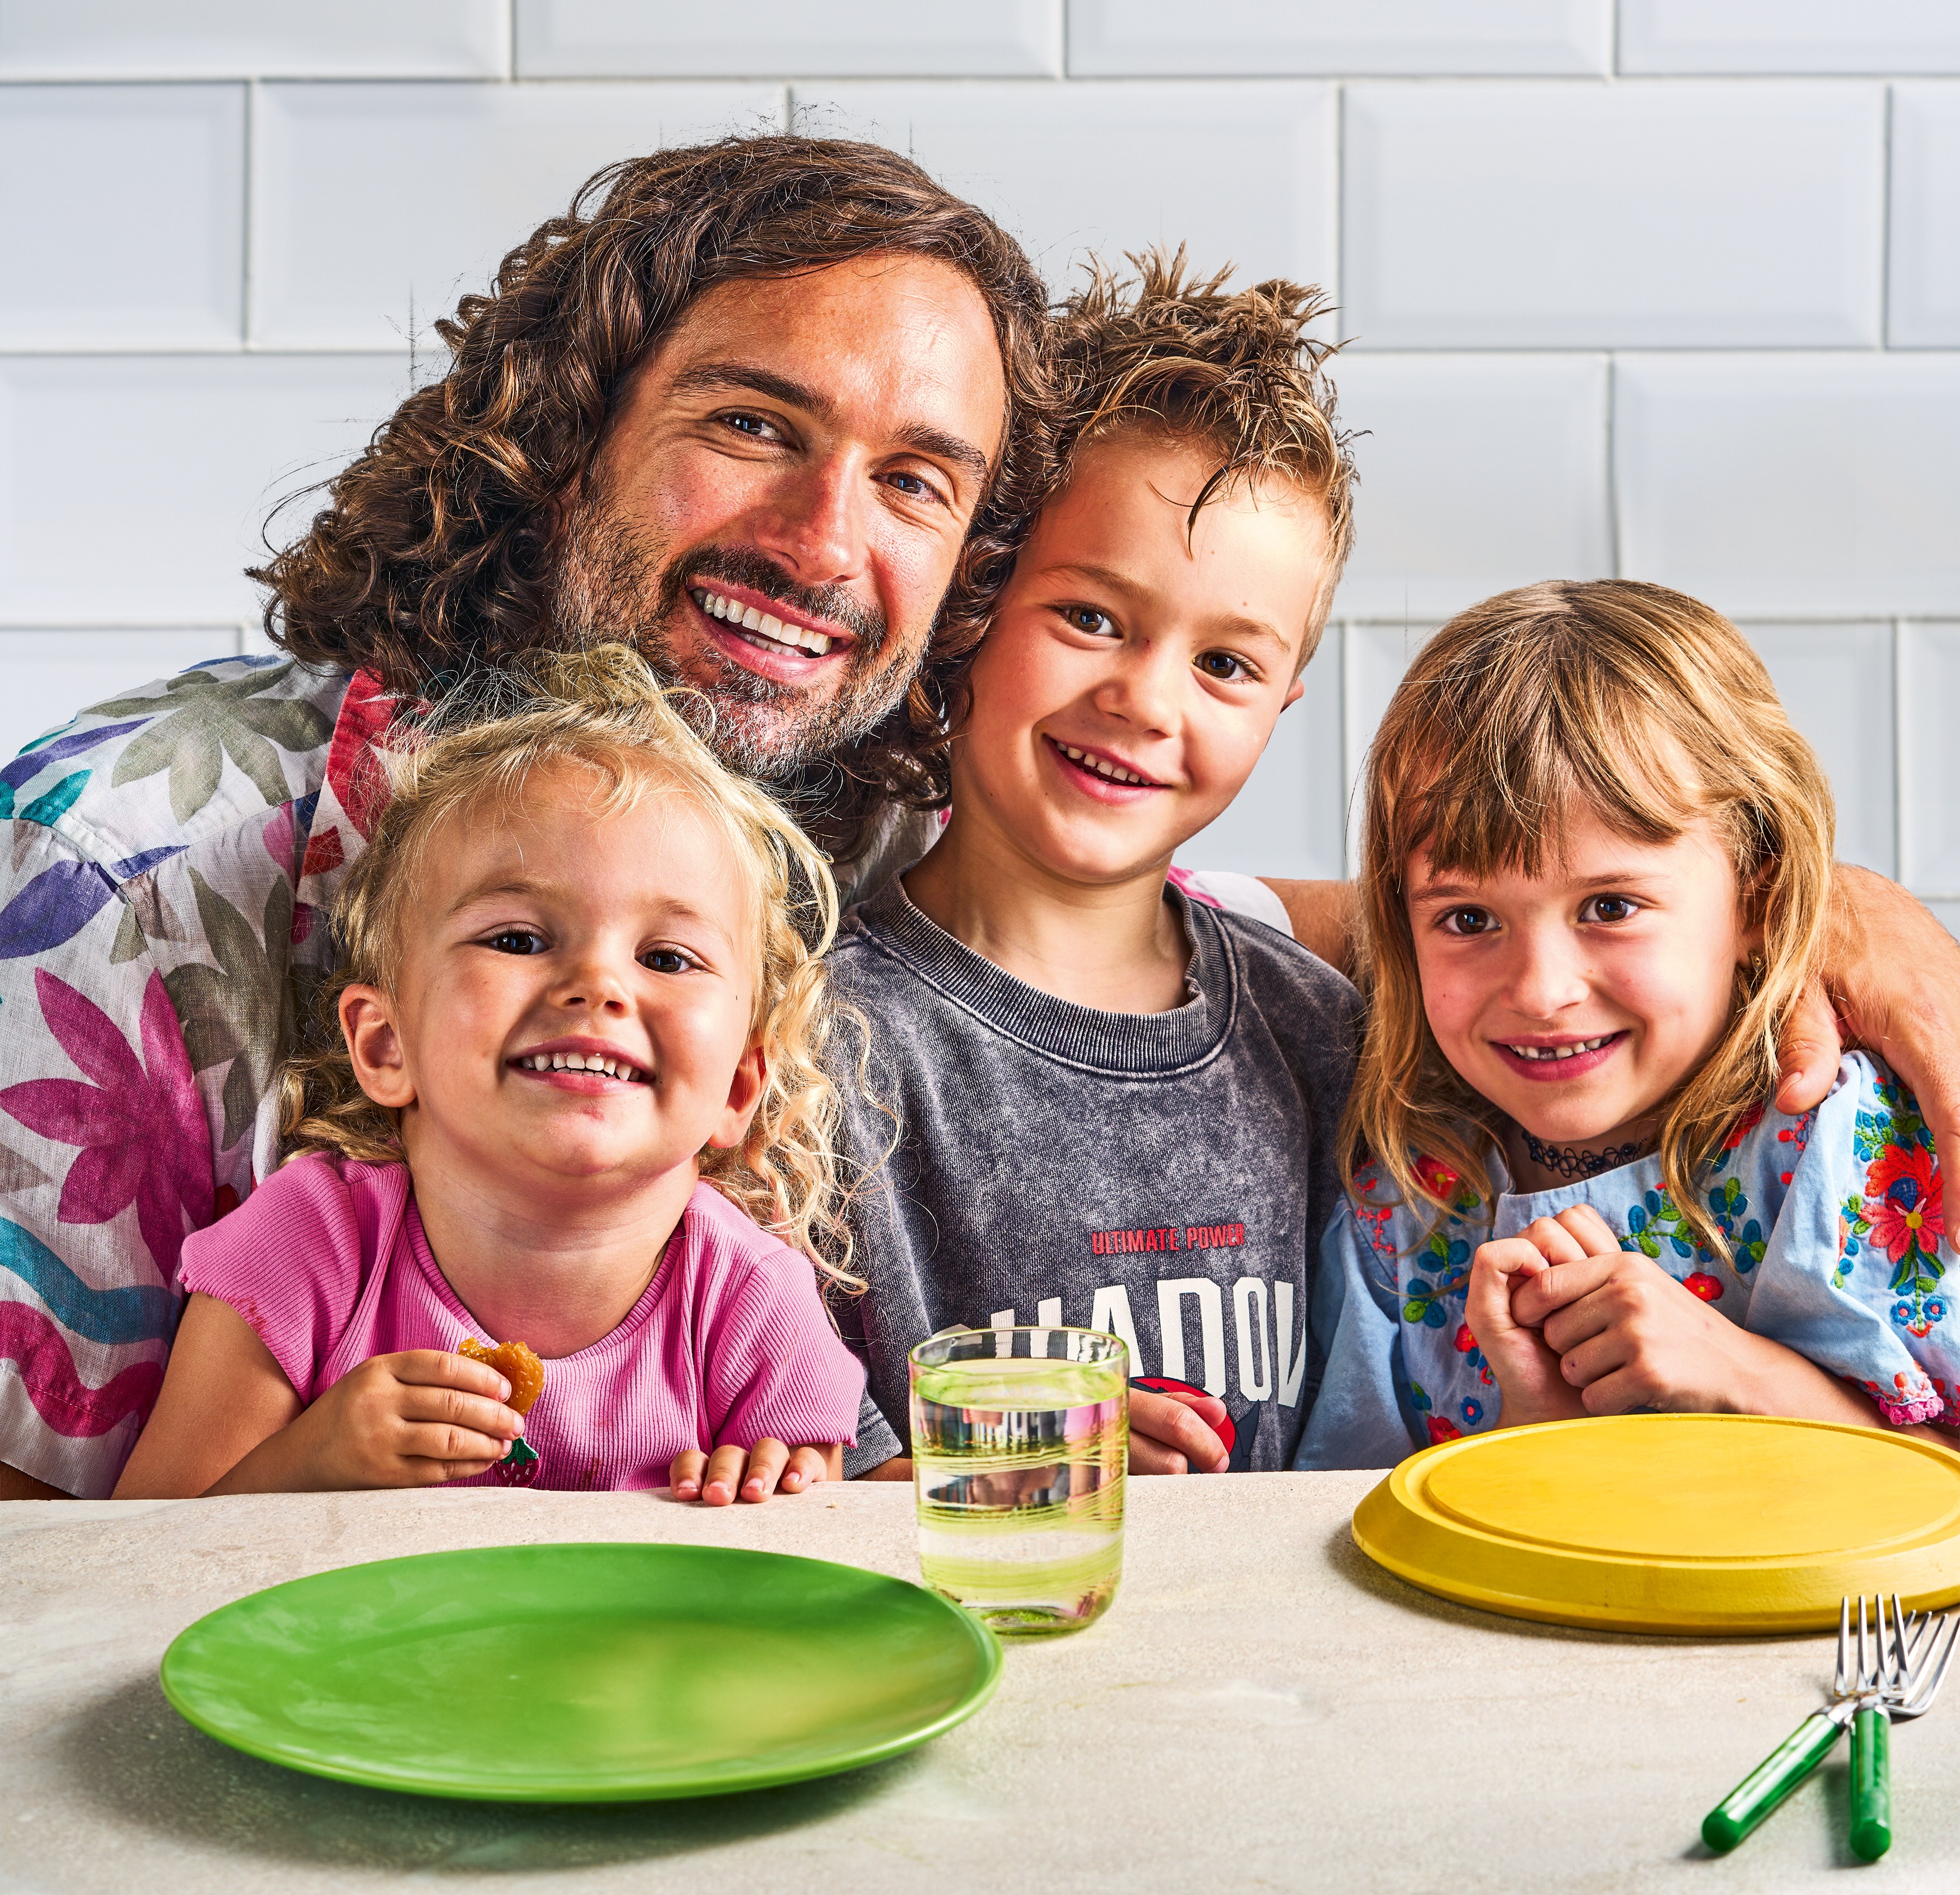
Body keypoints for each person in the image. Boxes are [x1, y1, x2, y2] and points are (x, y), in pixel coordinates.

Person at [1, 132, 1951, 1499]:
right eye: (755, 420)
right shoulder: (113, 871)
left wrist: (1829, 918)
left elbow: (1356, 912)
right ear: (569, 410)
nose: (826, 538)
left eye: (922, 480)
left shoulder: (816, 836)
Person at [835, 256, 1362, 1478]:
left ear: (1284, 702)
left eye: (1225, 665)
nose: (1144, 700)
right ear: (969, 608)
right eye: (1090, 618)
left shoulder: (1321, 1038)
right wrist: (993, 1466)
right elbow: (776, 1460)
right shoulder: (822, 1047)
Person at [115, 647, 864, 1501]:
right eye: (517, 939)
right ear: (387, 1045)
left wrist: (762, 1498)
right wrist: (310, 1462)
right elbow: (146, 1554)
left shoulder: (755, 1306)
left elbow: (813, 1569)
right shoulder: (304, 1248)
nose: (599, 986)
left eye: (667, 956)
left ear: (737, 1089)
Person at [1301, 583, 1951, 1468]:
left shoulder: (1842, 1147)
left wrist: (1749, 1378)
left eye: (1609, 905)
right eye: (1467, 919)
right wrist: (1536, 1435)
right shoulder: (1401, 1203)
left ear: (1756, 899)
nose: (1540, 991)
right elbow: (1350, 1525)